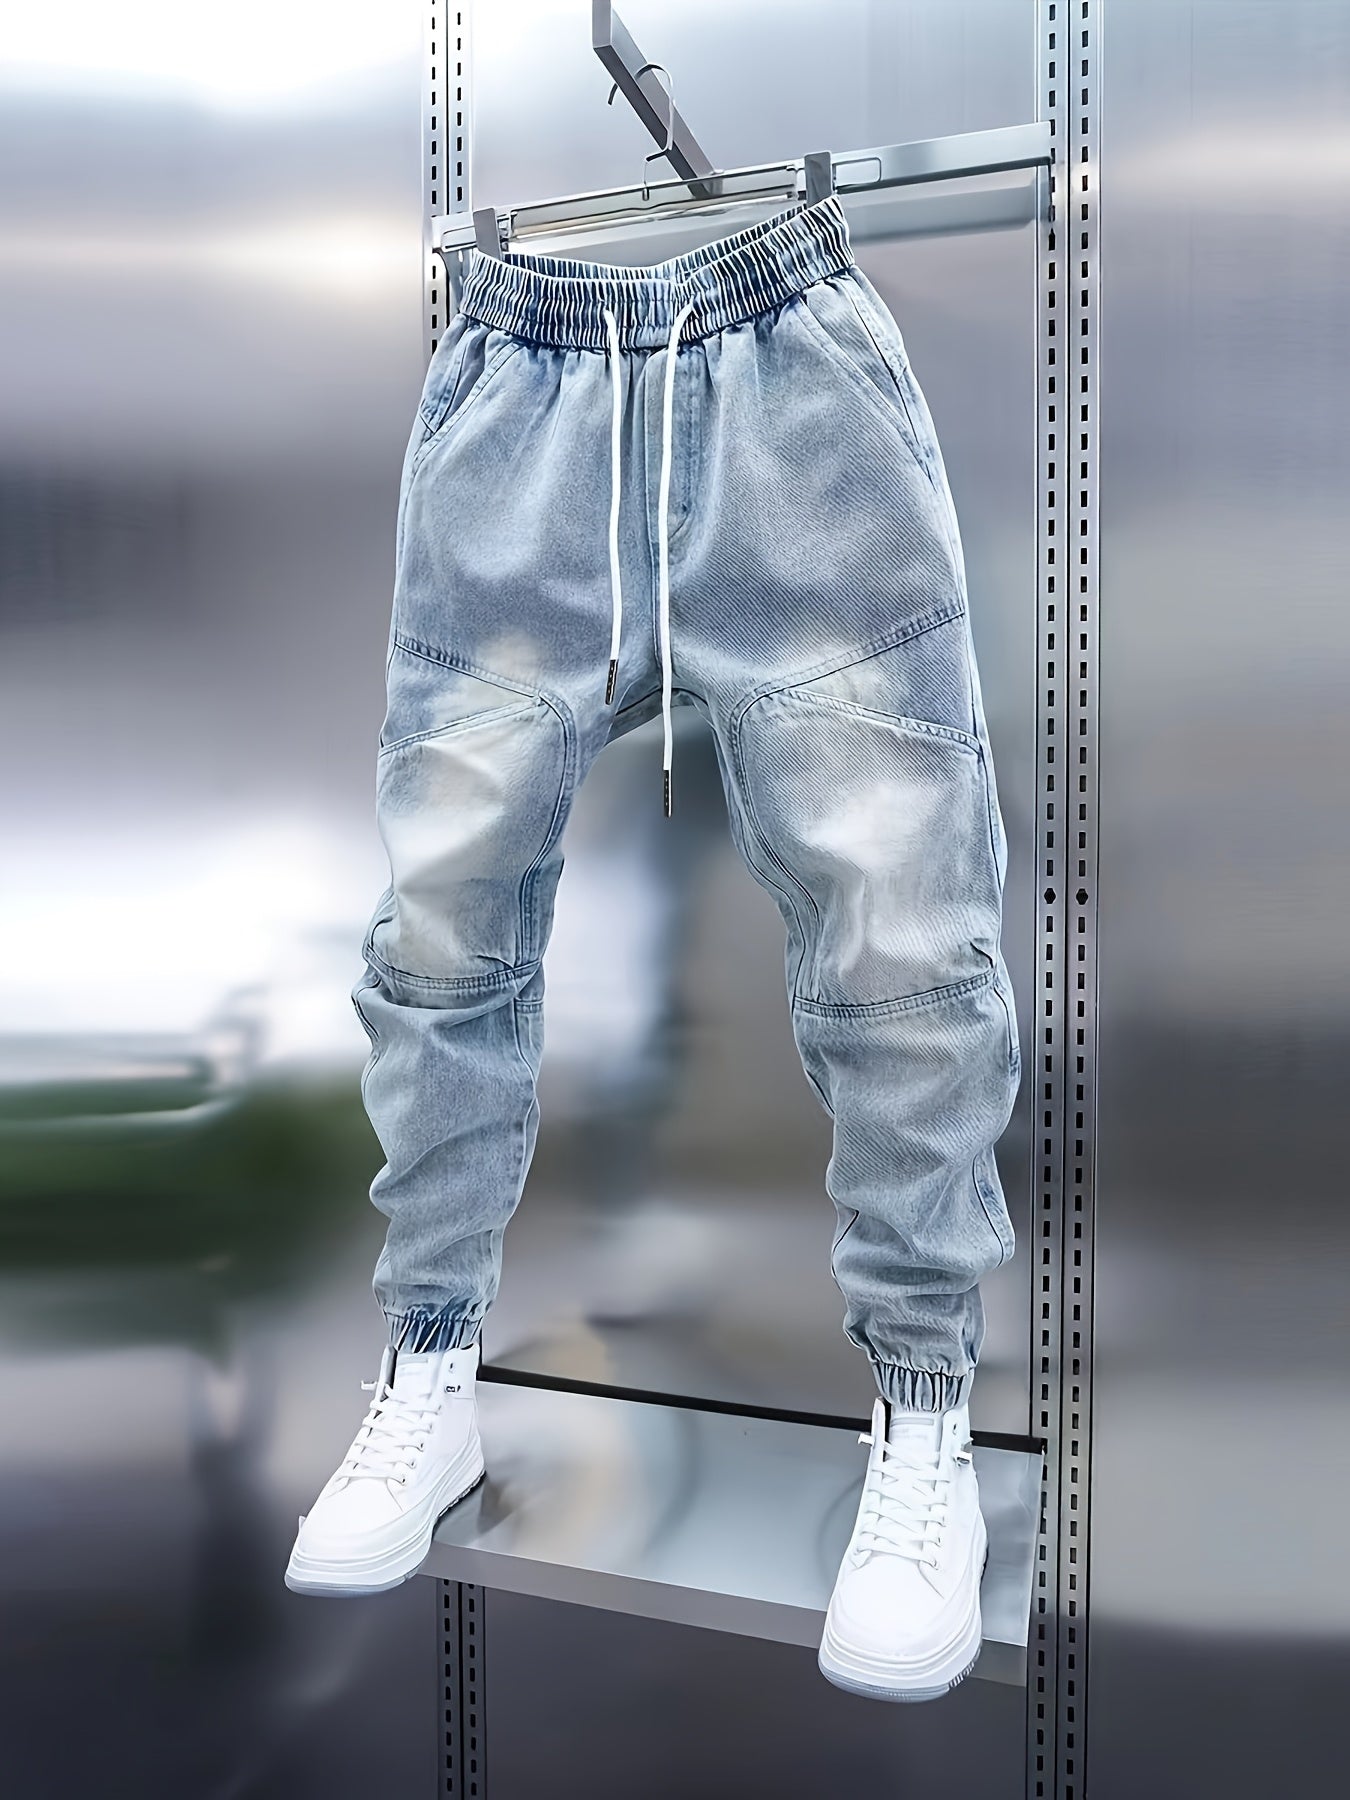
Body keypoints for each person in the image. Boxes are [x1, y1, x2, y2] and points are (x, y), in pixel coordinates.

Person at [285, 194, 1020, 1703]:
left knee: (900, 946)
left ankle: (925, 1416)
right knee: (440, 930)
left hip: (791, 407)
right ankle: (429, 1371)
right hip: (521, 418)